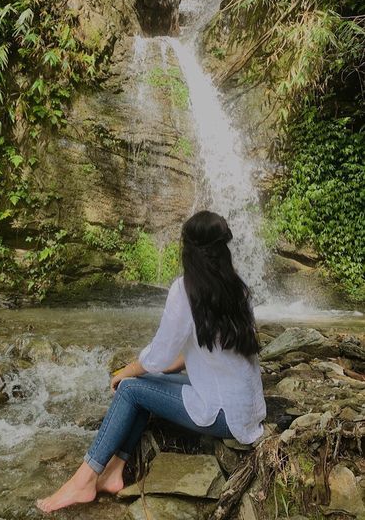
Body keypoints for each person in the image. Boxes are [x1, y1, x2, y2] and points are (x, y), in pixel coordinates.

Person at [36, 210, 266, 514]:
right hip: (246, 409)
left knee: (131, 389)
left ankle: (84, 480)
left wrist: (124, 372)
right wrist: (148, 374)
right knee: (142, 386)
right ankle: (115, 471)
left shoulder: (186, 289)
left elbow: (159, 355)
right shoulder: (236, 287)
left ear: (188, 250)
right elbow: (195, 354)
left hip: (221, 413)